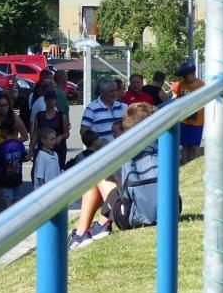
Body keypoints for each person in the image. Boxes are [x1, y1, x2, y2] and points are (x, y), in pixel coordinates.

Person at [70, 103, 164, 248]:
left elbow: (122, 190)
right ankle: (101, 225)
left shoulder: (124, 152)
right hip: (168, 211)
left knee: (96, 175)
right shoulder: (163, 145)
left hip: (136, 217)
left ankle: (81, 233)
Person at [0, 92, 28, 214]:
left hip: (10, 157)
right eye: (0, 106)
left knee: (12, 189)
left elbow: (25, 136)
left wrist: (13, 143)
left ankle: (12, 216)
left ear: (9, 105)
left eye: (5, 105)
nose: (3, 108)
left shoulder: (15, 118)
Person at [30, 81, 69, 169]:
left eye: (52, 99)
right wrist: (32, 148)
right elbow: (35, 133)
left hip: (58, 148)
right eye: (48, 99)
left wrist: (60, 137)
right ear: (45, 100)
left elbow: (66, 133)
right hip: (43, 148)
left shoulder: (61, 116)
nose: (50, 101)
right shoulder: (39, 116)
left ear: (56, 100)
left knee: (58, 171)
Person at [172, 62, 205, 163]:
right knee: (185, 146)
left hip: (197, 122)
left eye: (185, 75)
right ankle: (184, 163)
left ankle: (193, 163)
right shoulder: (181, 85)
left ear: (193, 73)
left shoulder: (202, 85)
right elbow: (177, 100)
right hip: (184, 121)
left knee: (195, 147)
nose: (184, 77)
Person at [80, 79, 126, 145]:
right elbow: (84, 131)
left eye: (116, 90)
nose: (115, 93)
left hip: (122, 147)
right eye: (111, 91)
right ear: (102, 92)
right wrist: (94, 146)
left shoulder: (123, 107)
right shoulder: (91, 108)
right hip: (102, 150)